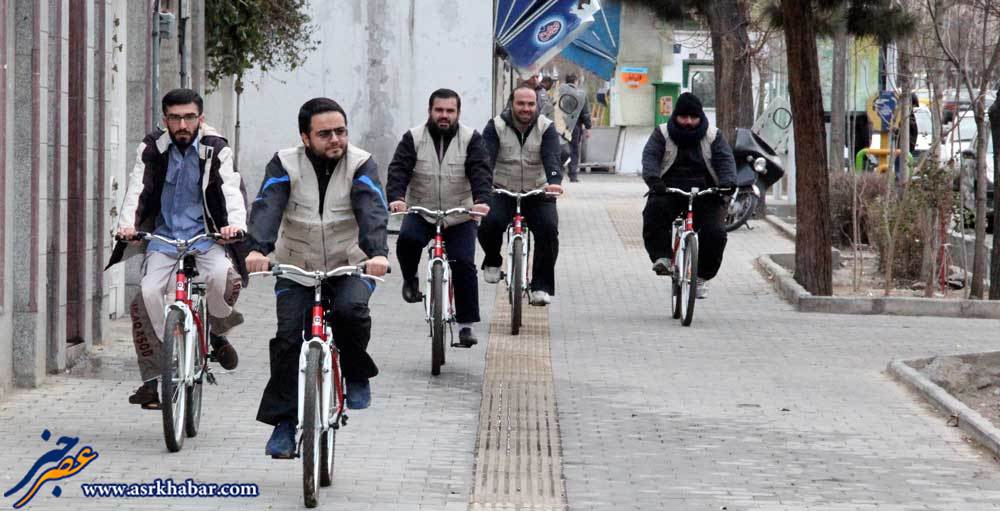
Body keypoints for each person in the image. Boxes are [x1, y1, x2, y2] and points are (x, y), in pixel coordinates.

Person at [244, 98, 390, 459]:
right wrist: (258, 249)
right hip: (297, 266)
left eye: (341, 131)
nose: (336, 139)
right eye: (325, 134)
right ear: (305, 137)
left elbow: (371, 206)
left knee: (351, 310)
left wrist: (377, 253)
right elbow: (268, 204)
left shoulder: (361, 163)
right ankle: (283, 423)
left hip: (350, 263)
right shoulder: (285, 163)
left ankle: (356, 373)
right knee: (288, 338)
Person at [106, 88, 247, 409]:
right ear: (165, 119)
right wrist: (128, 226)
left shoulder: (215, 148)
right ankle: (165, 360)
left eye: (189, 117)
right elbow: (137, 187)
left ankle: (216, 330)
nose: (182, 124)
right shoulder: (154, 148)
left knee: (223, 277)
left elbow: (231, 188)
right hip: (165, 238)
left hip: (207, 236)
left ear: (200, 118)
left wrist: (234, 225)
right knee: (148, 293)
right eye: (175, 118)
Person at [386, 89, 492, 346]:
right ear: (430, 111)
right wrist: (397, 197)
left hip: (459, 214)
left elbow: (480, 170)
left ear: (457, 113)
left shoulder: (471, 139)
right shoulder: (413, 137)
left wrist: (481, 201)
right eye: (439, 110)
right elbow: (399, 169)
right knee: (407, 240)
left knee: (464, 262)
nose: (444, 116)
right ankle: (410, 280)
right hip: (423, 210)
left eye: (449, 111)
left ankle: (466, 325)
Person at [641, 92, 736, 299]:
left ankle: (701, 276)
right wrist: (654, 180)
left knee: (716, 233)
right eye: (684, 117)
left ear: (700, 117)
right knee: (653, 212)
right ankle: (663, 257)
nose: (689, 122)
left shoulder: (713, 135)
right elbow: (650, 157)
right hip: (669, 190)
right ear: (675, 116)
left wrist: (728, 183)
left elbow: (725, 160)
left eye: (694, 118)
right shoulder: (662, 133)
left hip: (706, 192)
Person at [480, 85, 563, 306]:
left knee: (548, 229)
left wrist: (554, 182)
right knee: (489, 221)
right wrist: (482, 185)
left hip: (537, 190)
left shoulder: (546, 127)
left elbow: (552, 157)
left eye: (530, 104)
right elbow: (485, 159)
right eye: (521, 104)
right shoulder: (496, 126)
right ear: (511, 104)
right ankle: (492, 260)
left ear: (536, 105)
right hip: (502, 188)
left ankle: (541, 286)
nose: (526, 108)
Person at [557, 73, 592, 183]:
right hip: (575, 126)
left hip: (560, 125)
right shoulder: (581, 94)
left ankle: (558, 172)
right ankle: (573, 175)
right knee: (574, 150)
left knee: (560, 148)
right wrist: (588, 127)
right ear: (576, 82)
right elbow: (585, 113)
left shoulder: (559, 92)